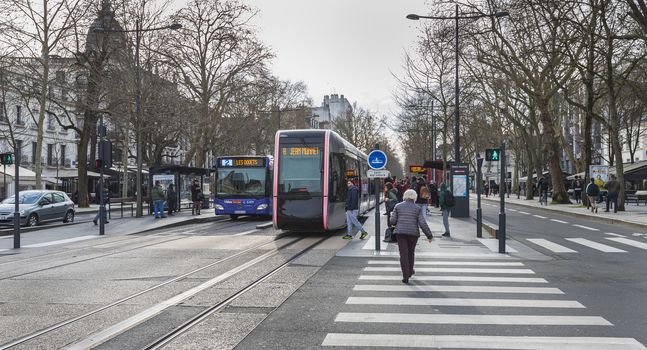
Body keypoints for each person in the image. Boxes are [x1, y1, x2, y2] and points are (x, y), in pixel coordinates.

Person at [389, 189, 433, 284]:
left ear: (405, 196)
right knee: (411, 253)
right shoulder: (417, 208)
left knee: (403, 254)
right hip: (413, 234)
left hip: (400, 233)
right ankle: (409, 272)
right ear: (415, 197)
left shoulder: (398, 206)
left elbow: (392, 221)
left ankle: (406, 276)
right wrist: (429, 236)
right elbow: (422, 223)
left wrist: (393, 218)